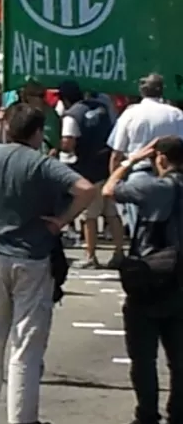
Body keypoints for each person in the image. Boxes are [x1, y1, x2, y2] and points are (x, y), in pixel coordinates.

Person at [0, 105, 98, 424]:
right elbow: (85, 190)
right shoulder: (41, 163)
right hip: (32, 258)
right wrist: (61, 221)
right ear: (37, 133)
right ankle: (22, 417)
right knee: (26, 346)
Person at [103, 135, 183, 424]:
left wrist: (131, 160)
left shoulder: (153, 188)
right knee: (179, 358)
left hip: (150, 279)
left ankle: (147, 413)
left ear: (160, 158)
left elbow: (109, 189)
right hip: (180, 284)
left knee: (143, 358)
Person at [58, 80, 123, 270]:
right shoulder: (102, 107)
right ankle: (120, 253)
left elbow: (68, 143)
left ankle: (90, 256)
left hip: (87, 169)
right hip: (106, 167)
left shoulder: (71, 116)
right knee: (111, 212)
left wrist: (58, 145)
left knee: (90, 215)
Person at [110, 74, 183, 232]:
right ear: (162, 90)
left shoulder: (130, 114)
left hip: (138, 173)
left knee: (139, 228)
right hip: (171, 175)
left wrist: (116, 176)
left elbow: (117, 152)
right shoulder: (176, 114)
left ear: (141, 91)